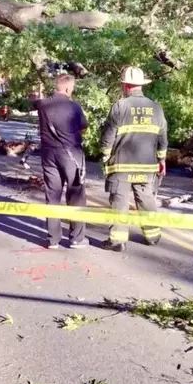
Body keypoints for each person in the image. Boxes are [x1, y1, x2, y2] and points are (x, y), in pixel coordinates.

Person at [98, 66, 168, 252]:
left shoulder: (120, 106)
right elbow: (162, 138)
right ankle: (152, 236)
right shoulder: (156, 108)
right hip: (147, 166)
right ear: (140, 85)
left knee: (119, 202)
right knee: (146, 200)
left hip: (121, 166)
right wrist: (161, 160)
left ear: (126, 86)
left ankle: (117, 241)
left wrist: (105, 155)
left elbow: (108, 136)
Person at [35, 74, 89, 249]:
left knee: (52, 194)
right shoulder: (74, 107)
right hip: (71, 154)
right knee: (76, 195)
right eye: (72, 87)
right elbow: (84, 128)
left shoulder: (42, 105)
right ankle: (76, 238)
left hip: (48, 154)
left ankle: (53, 239)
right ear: (67, 88)